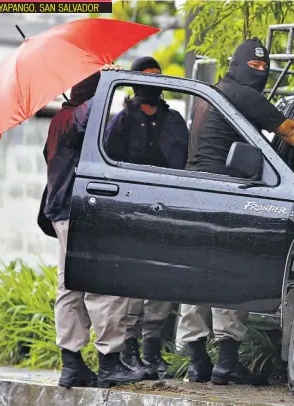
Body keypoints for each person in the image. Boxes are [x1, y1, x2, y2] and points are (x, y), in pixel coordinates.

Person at [179, 38, 294, 386]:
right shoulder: (242, 95)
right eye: (253, 67)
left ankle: (197, 362)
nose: (259, 73)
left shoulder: (212, 94)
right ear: (237, 65)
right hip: (223, 193)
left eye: (263, 68)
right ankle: (226, 362)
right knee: (226, 272)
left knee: (195, 272)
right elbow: (292, 131)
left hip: (194, 191)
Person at [37, 65, 148, 389]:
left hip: (61, 211)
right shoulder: (74, 118)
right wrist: (109, 83)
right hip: (79, 210)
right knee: (102, 285)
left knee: (69, 287)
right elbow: (91, 118)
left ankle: (72, 363)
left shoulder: (59, 119)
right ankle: (109, 362)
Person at [103, 56, 188, 379]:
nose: (152, 83)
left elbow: (182, 164)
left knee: (160, 281)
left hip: (165, 210)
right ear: (135, 81)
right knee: (132, 283)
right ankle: (130, 350)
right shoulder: (123, 120)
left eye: (157, 76)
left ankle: (152, 349)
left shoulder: (174, 120)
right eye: (146, 77)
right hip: (131, 211)